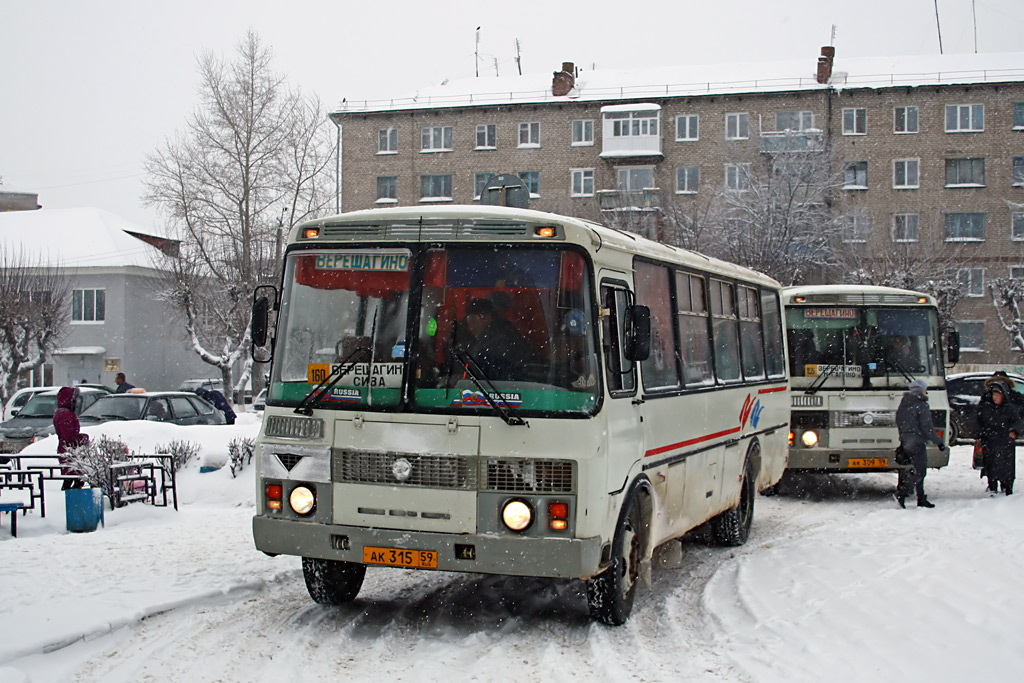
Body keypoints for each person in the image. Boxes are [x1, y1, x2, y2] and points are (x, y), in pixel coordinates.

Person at [458, 298, 537, 382]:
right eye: (468, 324)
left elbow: (490, 375)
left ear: (486, 318)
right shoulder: (480, 340)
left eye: (473, 322)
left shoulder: (499, 342)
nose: (470, 328)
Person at [894, 378, 945, 508]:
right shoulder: (921, 405)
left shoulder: (904, 404)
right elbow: (927, 428)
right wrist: (939, 442)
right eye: (925, 389)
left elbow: (899, 421)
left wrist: (904, 437)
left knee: (916, 470)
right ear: (921, 390)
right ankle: (903, 492)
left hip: (906, 441)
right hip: (917, 442)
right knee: (920, 472)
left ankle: (921, 498)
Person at [976, 379, 1020, 496]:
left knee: (1007, 468)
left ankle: (1007, 487)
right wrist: (980, 434)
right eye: (994, 394)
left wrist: (1014, 431)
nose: (995, 397)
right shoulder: (986, 408)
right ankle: (992, 486)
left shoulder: (1009, 408)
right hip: (990, 441)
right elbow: (979, 422)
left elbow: (1017, 422)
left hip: (1005, 443)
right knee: (991, 467)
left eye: (998, 395)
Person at [53, 386, 88, 490]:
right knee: (75, 478)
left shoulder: (61, 413)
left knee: (71, 478)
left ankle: (69, 498)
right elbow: (69, 436)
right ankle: (70, 501)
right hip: (69, 450)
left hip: (66, 449)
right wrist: (83, 438)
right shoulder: (66, 415)